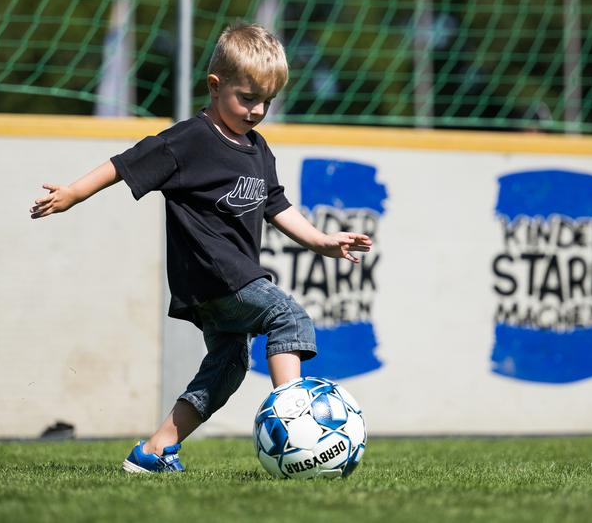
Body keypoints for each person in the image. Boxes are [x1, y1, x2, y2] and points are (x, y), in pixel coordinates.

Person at [30, 23, 372, 473]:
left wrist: (321, 241)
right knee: (288, 316)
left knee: (227, 368)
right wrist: (73, 193)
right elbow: (122, 164)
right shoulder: (189, 140)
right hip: (217, 275)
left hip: (223, 287)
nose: (256, 110)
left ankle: (154, 451)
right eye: (247, 97)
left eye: (266, 101)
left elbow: (276, 205)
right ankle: (298, 421)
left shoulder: (257, 148)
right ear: (215, 86)